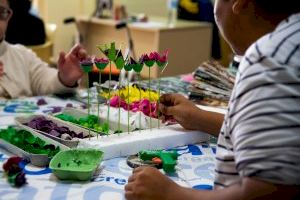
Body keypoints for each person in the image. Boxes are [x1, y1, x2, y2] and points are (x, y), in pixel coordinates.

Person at [125, 0, 300, 199]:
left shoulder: (270, 61)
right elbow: (275, 133)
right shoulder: (292, 42)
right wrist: (199, 118)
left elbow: (270, 191)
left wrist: (173, 194)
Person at [0, 0, 86, 99]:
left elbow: (44, 79)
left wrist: (64, 78)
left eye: (1, 11)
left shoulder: (22, 56)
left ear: (8, 16)